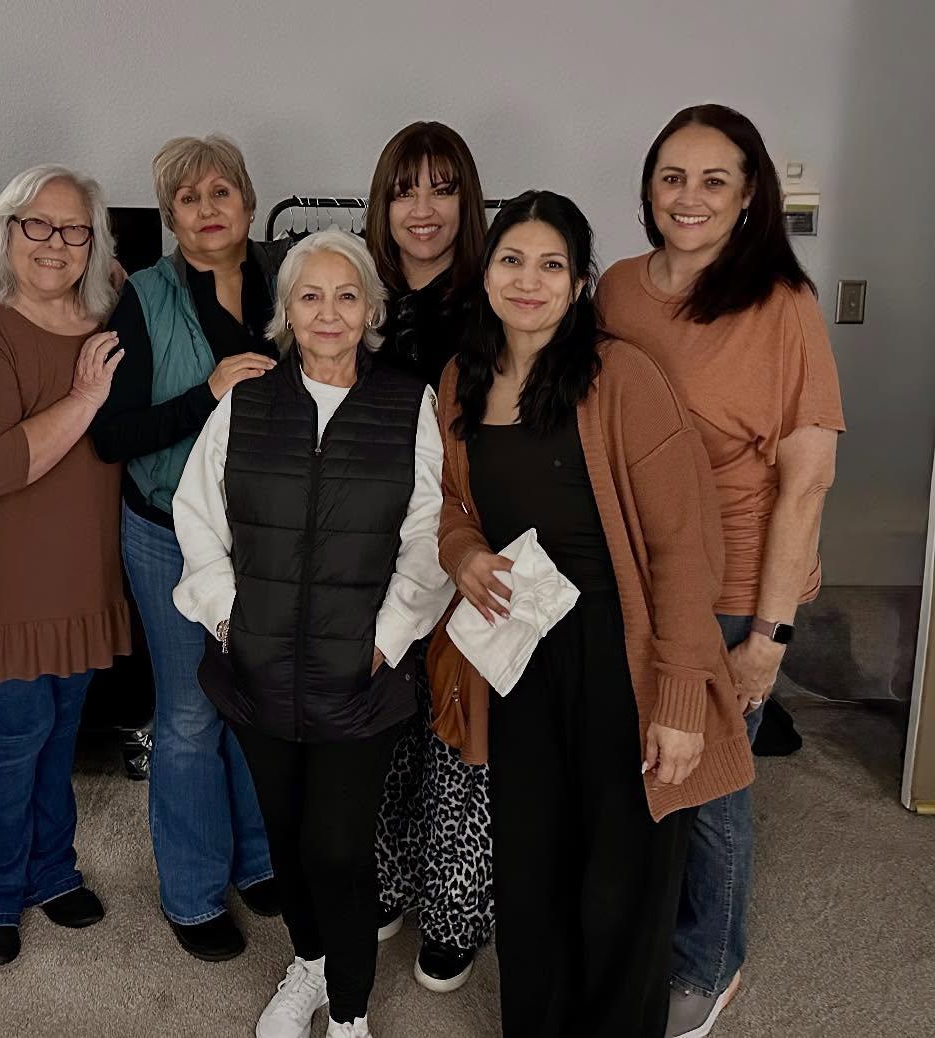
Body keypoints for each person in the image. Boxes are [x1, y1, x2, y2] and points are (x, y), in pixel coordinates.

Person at [438, 191, 755, 1037]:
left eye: (552, 265)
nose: (529, 281)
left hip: (624, 651)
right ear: (486, 273)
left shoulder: (622, 378)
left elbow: (686, 549)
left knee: (624, 873)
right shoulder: (461, 377)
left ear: (579, 282)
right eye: (512, 260)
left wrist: (681, 701)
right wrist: (462, 553)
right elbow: (449, 505)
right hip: (521, 653)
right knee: (533, 861)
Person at [596, 104, 844, 1038]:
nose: (688, 197)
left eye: (713, 180)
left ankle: (712, 963)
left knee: (710, 786)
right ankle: (652, 929)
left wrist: (769, 641)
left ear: (749, 197)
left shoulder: (783, 307)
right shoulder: (618, 289)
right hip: (637, 573)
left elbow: (807, 481)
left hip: (735, 586)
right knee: (644, 763)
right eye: (672, 177)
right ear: (648, 189)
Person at [173, 229, 452, 1038]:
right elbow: (198, 517)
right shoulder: (247, 402)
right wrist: (229, 619)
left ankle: (351, 1013)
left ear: (370, 309)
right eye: (310, 295)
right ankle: (310, 964)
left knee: (338, 849)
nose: (328, 312)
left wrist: (388, 637)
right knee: (288, 841)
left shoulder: (408, 403)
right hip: (257, 666)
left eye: (346, 295)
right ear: (287, 312)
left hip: (358, 675)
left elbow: (429, 532)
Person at [89, 133, 288, 961]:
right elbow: (114, 436)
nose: (208, 209)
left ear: (248, 200)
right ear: (171, 216)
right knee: (189, 714)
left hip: (270, 539)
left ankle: (258, 858)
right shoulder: (144, 295)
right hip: (169, 533)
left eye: (221, 192)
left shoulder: (289, 277)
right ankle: (193, 892)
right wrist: (208, 393)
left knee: (258, 701)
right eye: (188, 197)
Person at [0, 165, 131, 967]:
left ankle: (51, 871)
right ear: (4, 230)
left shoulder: (107, 313)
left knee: (59, 736)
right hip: (3, 577)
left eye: (74, 228)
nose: (55, 243)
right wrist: (83, 400)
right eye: (36, 225)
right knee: (9, 740)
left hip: (83, 570)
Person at [363, 120, 496, 994]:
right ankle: (383, 877)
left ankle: (454, 909)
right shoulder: (356, 292)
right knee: (378, 716)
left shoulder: (494, 298)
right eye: (406, 188)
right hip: (369, 540)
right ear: (383, 202)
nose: (423, 208)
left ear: (466, 203)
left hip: (463, 535)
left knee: (459, 727)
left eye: (443, 189)